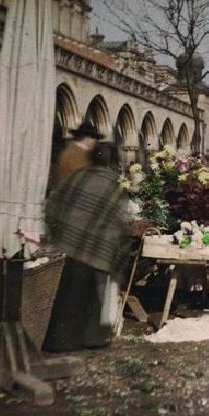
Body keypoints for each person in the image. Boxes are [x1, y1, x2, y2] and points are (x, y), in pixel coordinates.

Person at [43, 143, 135, 351]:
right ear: (113, 162)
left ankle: (61, 341)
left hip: (69, 247)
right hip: (99, 250)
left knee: (68, 296)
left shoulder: (75, 177)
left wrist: (60, 233)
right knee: (94, 298)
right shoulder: (114, 185)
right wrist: (120, 252)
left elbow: (52, 207)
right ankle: (93, 339)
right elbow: (120, 222)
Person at [53, 121, 104, 189]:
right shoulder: (75, 155)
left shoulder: (75, 151)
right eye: (94, 138)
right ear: (87, 139)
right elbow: (82, 180)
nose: (96, 142)